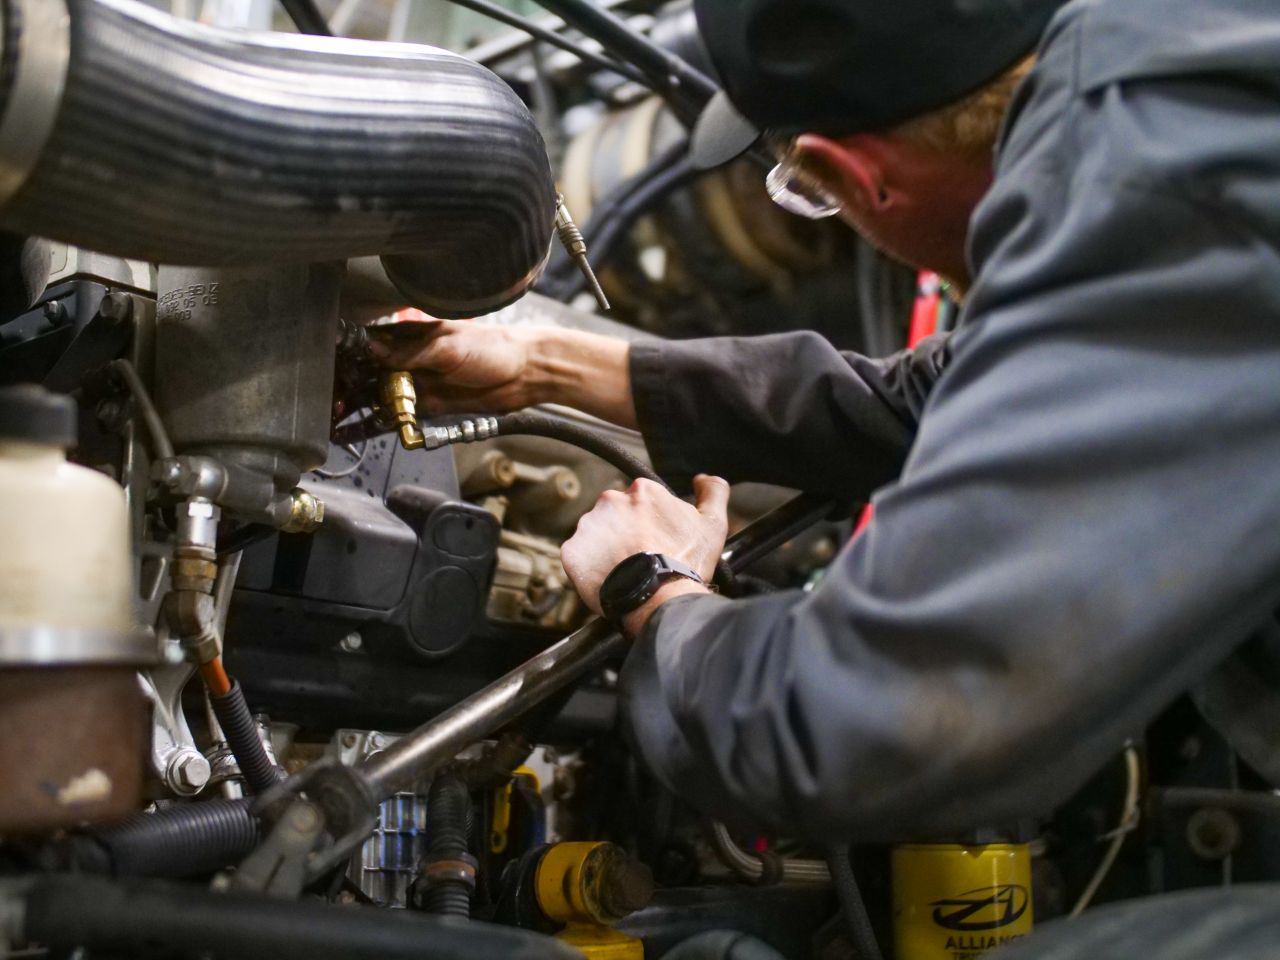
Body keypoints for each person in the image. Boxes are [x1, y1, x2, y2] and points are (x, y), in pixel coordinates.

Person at [371, 0, 1280, 840]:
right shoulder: (1167, 89)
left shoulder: (1154, 206)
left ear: (854, 178)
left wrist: (652, 587)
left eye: (815, 192)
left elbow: (858, 730)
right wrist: (543, 362)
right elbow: (924, 397)